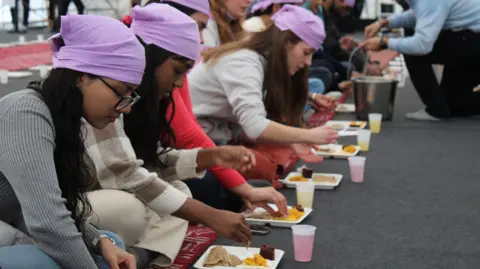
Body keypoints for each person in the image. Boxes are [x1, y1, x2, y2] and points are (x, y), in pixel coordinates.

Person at [85, 4, 285, 268]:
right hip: (81, 200)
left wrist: (210, 156)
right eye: (178, 71)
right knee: (132, 209)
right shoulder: (108, 89)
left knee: (179, 191)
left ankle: (141, 254)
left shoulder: (145, 95)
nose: (180, 83)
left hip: (108, 193)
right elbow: (125, 175)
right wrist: (209, 215)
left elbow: (150, 160)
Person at [0, 14, 146, 269]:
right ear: (81, 76)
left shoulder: (64, 119)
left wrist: (98, 240)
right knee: (42, 264)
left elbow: (47, 209)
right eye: (122, 91)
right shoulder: (25, 112)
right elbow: (46, 222)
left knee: (109, 245)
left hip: (11, 221)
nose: (126, 108)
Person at [189, 5, 339, 158]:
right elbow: (255, 126)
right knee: (264, 167)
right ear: (286, 43)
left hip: (219, 134)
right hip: (193, 144)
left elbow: (244, 128)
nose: (308, 62)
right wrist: (307, 135)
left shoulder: (261, 63)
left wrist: (290, 141)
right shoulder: (243, 62)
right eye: (306, 53)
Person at [362, 0, 480, 121]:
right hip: (470, 39)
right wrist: (384, 22)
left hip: (473, 41)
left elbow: (422, 46)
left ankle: (434, 110)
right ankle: (440, 108)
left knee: (412, 50)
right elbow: (420, 14)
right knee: (452, 105)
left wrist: (384, 42)